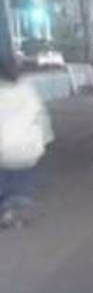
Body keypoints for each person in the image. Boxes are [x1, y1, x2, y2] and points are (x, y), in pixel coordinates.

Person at [0, 55, 54, 225]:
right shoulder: (28, 89)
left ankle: (6, 207)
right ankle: (18, 201)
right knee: (21, 167)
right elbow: (42, 118)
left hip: (3, 151)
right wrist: (45, 140)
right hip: (28, 149)